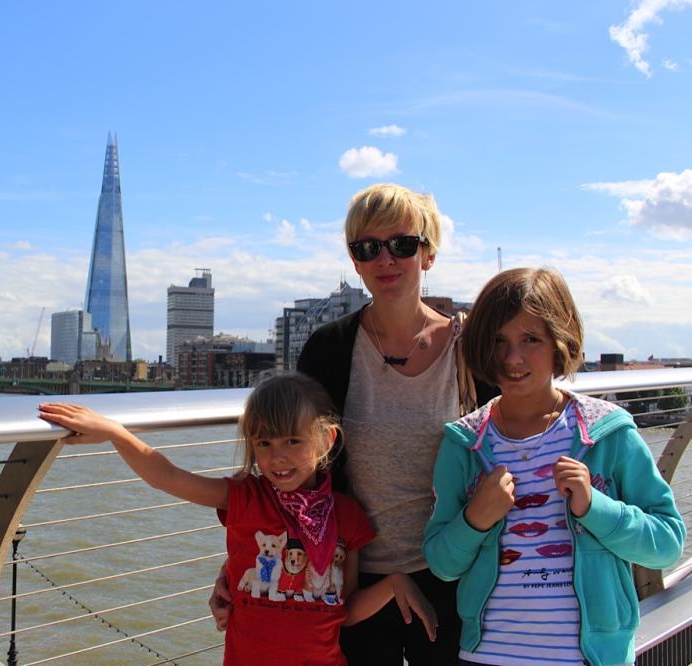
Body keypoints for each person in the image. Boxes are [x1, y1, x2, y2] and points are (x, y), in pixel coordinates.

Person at [212, 183, 496, 665]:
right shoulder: (329, 348)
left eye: (402, 244)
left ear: (428, 254)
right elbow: (291, 464)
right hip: (345, 578)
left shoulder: (468, 349)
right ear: (356, 260)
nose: (385, 259)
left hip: (452, 570)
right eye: (367, 248)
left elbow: (508, 447)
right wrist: (239, 564)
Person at [39, 373, 437, 666]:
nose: (277, 457)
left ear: (326, 440)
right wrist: (113, 432)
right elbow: (169, 477)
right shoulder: (246, 498)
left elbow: (344, 609)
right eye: (264, 443)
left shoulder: (347, 516)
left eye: (292, 442)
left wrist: (393, 584)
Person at [423, 267, 685, 666]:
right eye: (498, 341)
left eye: (531, 339)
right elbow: (441, 564)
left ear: (559, 341)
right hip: (488, 657)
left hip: (592, 658)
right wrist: (475, 519)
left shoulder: (606, 433)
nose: (512, 358)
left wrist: (595, 507)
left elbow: (666, 543)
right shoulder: (465, 443)